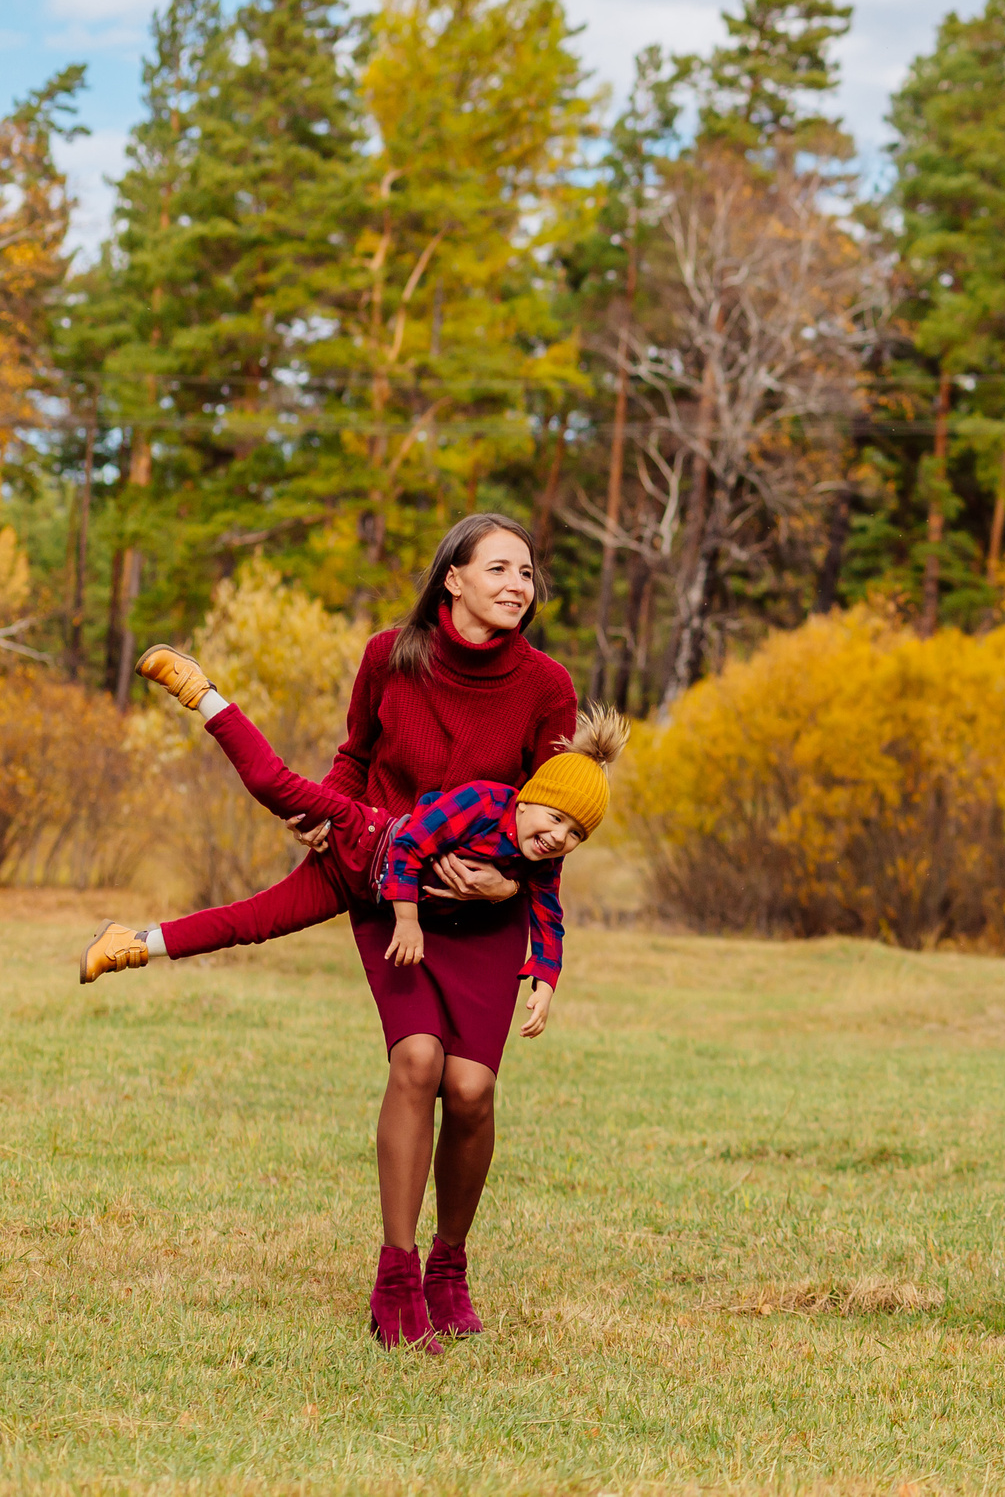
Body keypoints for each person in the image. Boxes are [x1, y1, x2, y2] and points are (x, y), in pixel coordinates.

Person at [81, 515, 577, 1352]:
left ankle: (448, 1267)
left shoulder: (547, 686)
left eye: (528, 572)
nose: (518, 585)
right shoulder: (391, 654)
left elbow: (559, 813)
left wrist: (513, 882)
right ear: (451, 577)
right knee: (416, 1060)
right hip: (389, 885)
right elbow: (354, 757)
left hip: (485, 911)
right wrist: (324, 821)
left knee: (473, 1090)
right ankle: (396, 1270)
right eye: (499, 568)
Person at [81, 654, 623, 1003]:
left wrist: (545, 981)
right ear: (530, 798)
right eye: (556, 819)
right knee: (272, 782)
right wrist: (408, 922)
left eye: (576, 834)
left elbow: (551, 922)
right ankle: (201, 691)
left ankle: (132, 944)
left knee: (252, 922)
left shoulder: (540, 860)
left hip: (359, 885)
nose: (560, 837)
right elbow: (411, 841)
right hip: (360, 833)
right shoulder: (484, 803)